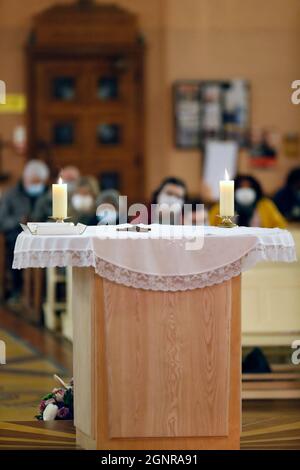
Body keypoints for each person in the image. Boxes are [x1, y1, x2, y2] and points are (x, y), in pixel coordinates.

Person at [0, 159, 49, 301]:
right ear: (25, 178)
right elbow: (2, 220)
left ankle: (43, 291)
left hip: (42, 234)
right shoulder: (10, 195)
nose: (36, 185)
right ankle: (17, 288)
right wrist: (19, 220)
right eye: (33, 182)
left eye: (38, 182)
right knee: (16, 246)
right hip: (16, 234)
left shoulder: (49, 195)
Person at [209, 174, 287, 228]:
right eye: (241, 187)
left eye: (249, 187)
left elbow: (280, 226)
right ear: (234, 190)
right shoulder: (223, 205)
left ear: (255, 189)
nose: (245, 190)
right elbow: (210, 225)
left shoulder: (265, 205)